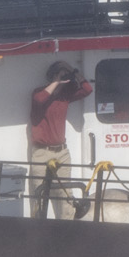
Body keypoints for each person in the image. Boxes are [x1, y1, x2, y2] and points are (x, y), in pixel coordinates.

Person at [28, 59, 90, 217]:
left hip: (61, 152)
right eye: (59, 75)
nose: (63, 79)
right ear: (52, 77)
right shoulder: (38, 93)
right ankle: (38, 230)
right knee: (39, 194)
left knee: (65, 195)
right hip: (41, 153)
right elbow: (40, 99)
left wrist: (73, 71)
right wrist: (57, 81)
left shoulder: (65, 97)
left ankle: (65, 230)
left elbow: (87, 89)